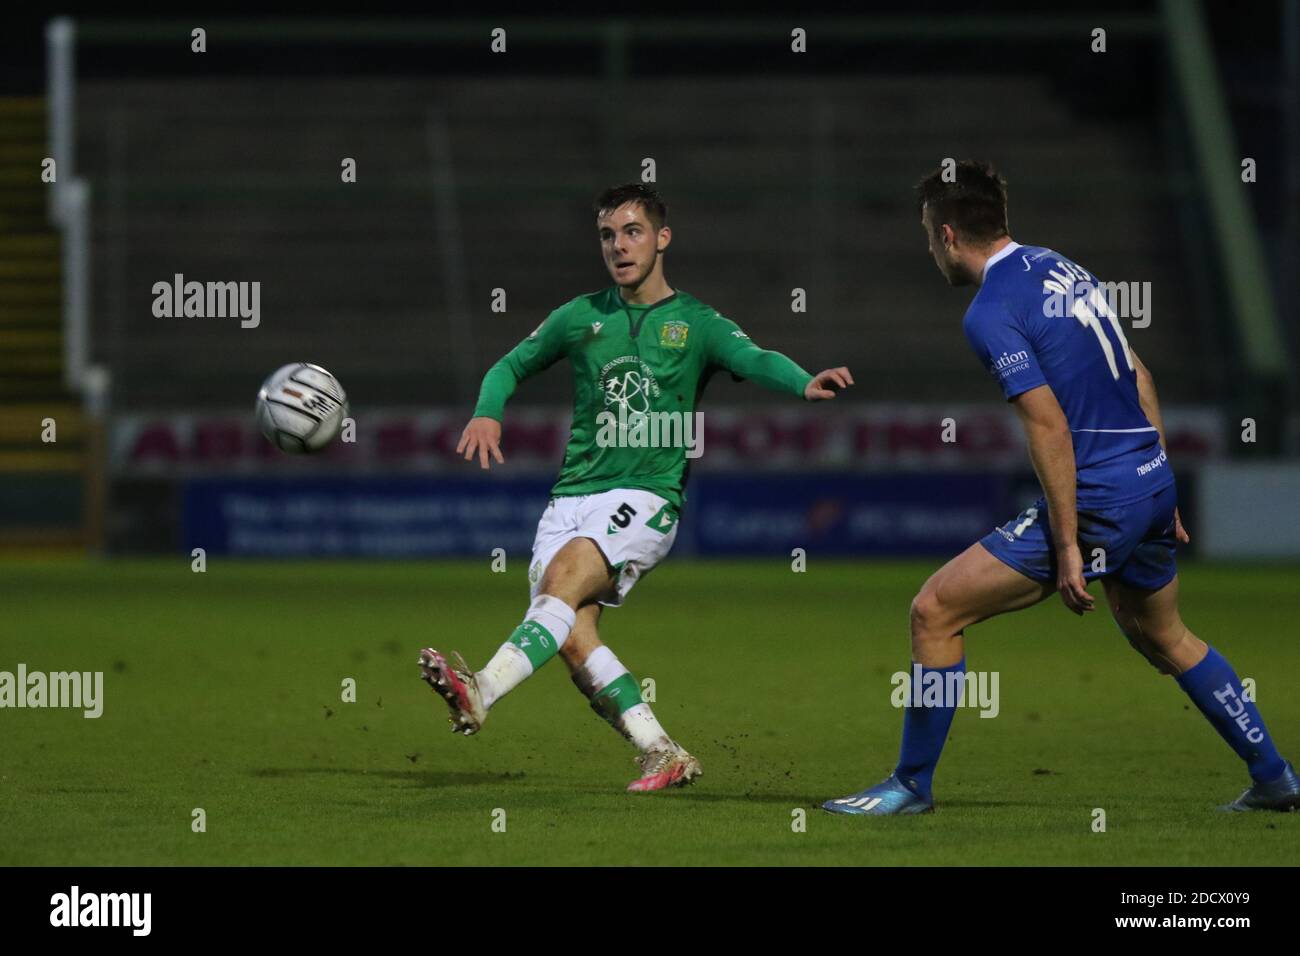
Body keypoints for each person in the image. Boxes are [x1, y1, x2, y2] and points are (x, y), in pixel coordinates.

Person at [824, 160, 1296, 815]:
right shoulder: (1063, 268)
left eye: (929, 234)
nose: (929, 247)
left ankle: (910, 785)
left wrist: (1069, 543)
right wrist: (1161, 480)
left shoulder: (989, 311)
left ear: (951, 234)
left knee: (934, 612)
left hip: (1102, 497)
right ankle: (1275, 778)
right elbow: (1137, 373)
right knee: (1166, 636)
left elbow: (1047, 425)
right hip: (1148, 482)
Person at [420, 182, 853, 792]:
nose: (619, 247)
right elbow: (510, 364)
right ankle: (661, 750)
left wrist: (805, 382)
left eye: (632, 232)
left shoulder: (696, 323)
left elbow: (755, 357)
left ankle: (483, 688)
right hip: (570, 497)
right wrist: (489, 409)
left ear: (661, 238)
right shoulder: (581, 316)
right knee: (570, 635)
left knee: (564, 582)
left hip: (646, 497)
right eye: (607, 235)